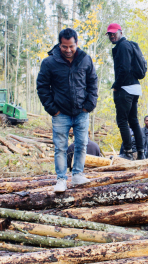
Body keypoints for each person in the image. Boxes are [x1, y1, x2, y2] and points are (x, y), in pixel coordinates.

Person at [37, 28, 98, 193]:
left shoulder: (85, 59)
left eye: (71, 46)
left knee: (82, 144)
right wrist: (52, 109)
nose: (68, 50)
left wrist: (89, 105)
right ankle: (61, 179)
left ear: (76, 43)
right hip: (60, 113)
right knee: (61, 147)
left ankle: (77, 175)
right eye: (65, 47)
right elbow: (42, 87)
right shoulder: (49, 63)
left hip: (81, 112)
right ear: (59, 44)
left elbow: (93, 83)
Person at [107, 23, 144, 161]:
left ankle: (128, 152)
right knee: (133, 120)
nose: (112, 36)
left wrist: (116, 85)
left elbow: (124, 69)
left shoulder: (122, 46)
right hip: (134, 87)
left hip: (126, 88)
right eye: (109, 34)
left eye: (114, 33)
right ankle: (141, 152)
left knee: (122, 120)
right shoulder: (129, 45)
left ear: (120, 32)